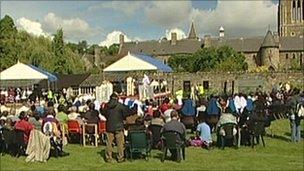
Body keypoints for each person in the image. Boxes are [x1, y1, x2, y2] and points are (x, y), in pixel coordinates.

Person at [102, 93, 130, 163]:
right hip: (119, 126)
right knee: (120, 143)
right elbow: (126, 113)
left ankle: (108, 157)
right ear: (117, 98)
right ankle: (120, 158)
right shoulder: (120, 106)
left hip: (109, 126)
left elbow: (104, 113)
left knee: (109, 143)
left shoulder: (107, 106)